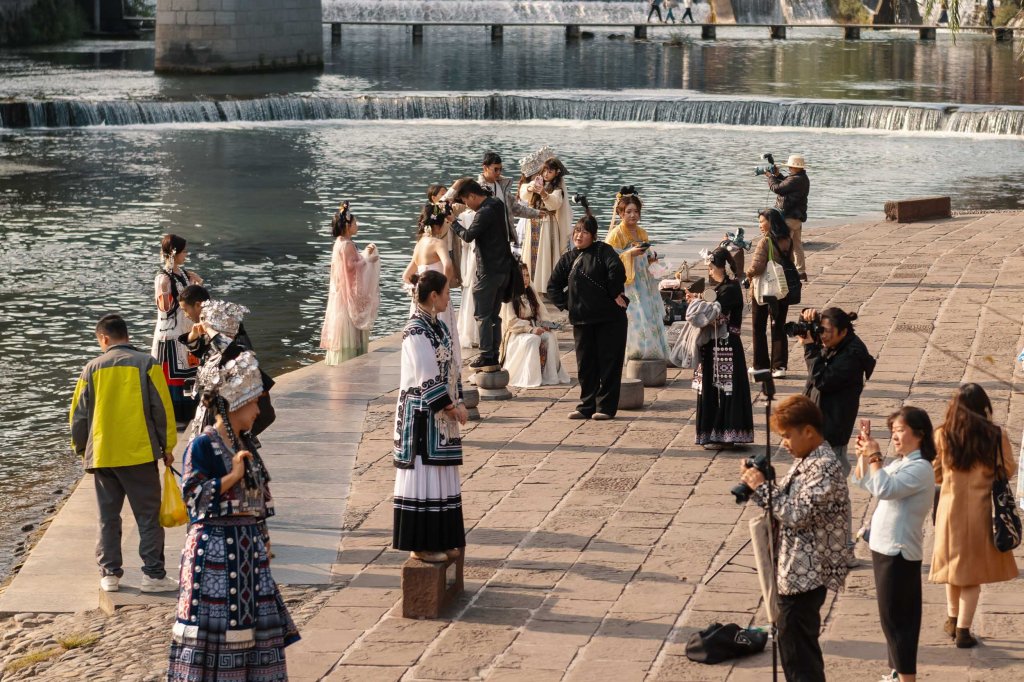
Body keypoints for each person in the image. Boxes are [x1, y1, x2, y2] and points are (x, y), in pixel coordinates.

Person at [167, 351, 299, 681]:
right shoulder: (202, 445)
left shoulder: (246, 443)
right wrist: (233, 476)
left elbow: (259, 499)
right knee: (216, 630)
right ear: (234, 404)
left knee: (255, 629)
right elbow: (193, 497)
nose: (257, 411)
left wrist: (263, 539)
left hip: (248, 551)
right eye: (253, 403)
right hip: (213, 550)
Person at [739, 395, 849, 682]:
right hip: (795, 570)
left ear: (808, 431)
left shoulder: (823, 466)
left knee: (800, 659)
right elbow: (788, 504)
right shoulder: (807, 459)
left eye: (787, 436)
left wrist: (763, 488)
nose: (784, 443)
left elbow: (797, 513)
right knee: (794, 652)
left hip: (806, 575)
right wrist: (759, 485)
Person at [70, 314, 178, 594]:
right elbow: (162, 409)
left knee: (108, 517)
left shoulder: (91, 369)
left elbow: (78, 416)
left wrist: (82, 449)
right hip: (139, 453)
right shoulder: (147, 364)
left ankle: (109, 575)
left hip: (103, 454)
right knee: (148, 517)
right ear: (126, 335)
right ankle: (153, 575)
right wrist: (167, 447)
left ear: (104, 338)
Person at [930, 383, 1018, 648]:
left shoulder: (942, 434)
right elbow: (1008, 469)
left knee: (953, 569)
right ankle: (963, 630)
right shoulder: (996, 435)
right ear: (984, 408)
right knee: (972, 576)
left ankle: (952, 618)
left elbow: (935, 473)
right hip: (981, 513)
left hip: (949, 512)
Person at [852, 407, 936, 682]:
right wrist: (864, 456)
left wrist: (875, 456)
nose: (895, 436)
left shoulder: (920, 467)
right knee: (890, 618)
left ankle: (906, 678)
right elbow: (866, 482)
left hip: (899, 551)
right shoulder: (902, 463)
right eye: (893, 431)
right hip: (884, 547)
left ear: (919, 434)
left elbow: (885, 489)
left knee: (898, 621)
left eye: (900, 430)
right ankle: (896, 673)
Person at [393, 270, 468, 563]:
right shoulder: (416, 331)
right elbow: (427, 377)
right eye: (447, 293)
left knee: (442, 476)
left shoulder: (438, 326)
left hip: (440, 417)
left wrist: (459, 400)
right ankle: (420, 545)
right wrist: (451, 407)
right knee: (424, 476)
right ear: (434, 296)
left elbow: (452, 368)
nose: (449, 298)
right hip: (422, 417)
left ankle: (443, 539)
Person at [800, 306, 875, 556]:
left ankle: (843, 549)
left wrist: (810, 349)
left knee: (834, 497)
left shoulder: (852, 356)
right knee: (820, 493)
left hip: (832, 431)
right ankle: (827, 545)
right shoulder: (837, 344)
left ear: (843, 332)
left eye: (827, 331)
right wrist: (807, 319)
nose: (822, 336)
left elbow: (822, 380)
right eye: (820, 330)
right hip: (820, 428)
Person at [547, 203, 628, 420]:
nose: (579, 235)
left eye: (584, 232)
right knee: (585, 365)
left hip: (609, 319)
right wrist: (569, 304)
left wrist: (615, 293)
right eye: (576, 231)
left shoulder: (603, 251)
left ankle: (606, 408)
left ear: (593, 235)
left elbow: (617, 271)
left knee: (609, 364)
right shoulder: (568, 258)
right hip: (582, 320)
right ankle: (586, 406)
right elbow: (552, 286)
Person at [179, 293, 277, 440]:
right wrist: (194, 334)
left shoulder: (237, 353)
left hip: (227, 419)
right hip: (207, 415)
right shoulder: (211, 353)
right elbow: (196, 348)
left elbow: (230, 350)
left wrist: (211, 331)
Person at [689, 247, 754, 449]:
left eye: (710, 268)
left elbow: (715, 316)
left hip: (725, 346)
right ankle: (712, 434)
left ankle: (723, 435)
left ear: (720, 267)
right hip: (715, 345)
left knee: (723, 387)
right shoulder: (722, 288)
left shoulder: (730, 290)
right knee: (712, 386)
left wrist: (697, 305)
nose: (709, 272)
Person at [451, 178, 514, 372]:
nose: (466, 206)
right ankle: (493, 354)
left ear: (472, 196)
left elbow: (468, 236)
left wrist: (453, 222)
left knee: (483, 315)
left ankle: (486, 355)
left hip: (487, 271)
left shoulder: (484, 212)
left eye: (465, 201)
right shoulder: (497, 203)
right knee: (494, 316)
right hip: (503, 269)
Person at [606, 189, 670, 361]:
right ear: (621, 214)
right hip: (628, 282)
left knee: (649, 313)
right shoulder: (615, 235)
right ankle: (634, 351)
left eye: (636, 211)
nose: (633, 215)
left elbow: (646, 256)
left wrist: (651, 258)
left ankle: (652, 349)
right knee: (634, 315)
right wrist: (629, 254)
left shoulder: (642, 232)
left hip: (645, 280)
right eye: (628, 212)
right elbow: (607, 260)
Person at [152, 233, 203, 426]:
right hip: (171, 335)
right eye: (184, 252)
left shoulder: (183, 274)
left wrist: (196, 285)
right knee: (174, 377)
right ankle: (174, 416)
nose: (186, 255)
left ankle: (189, 413)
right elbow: (165, 308)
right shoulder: (163, 278)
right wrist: (187, 292)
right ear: (174, 253)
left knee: (189, 373)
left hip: (185, 330)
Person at [320, 201, 380, 364]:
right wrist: (368, 259)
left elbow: (350, 264)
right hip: (346, 294)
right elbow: (351, 268)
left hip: (339, 291)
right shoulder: (347, 244)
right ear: (347, 226)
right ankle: (349, 359)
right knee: (349, 326)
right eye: (354, 223)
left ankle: (342, 358)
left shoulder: (340, 242)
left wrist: (364, 254)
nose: (356, 226)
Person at [405, 199, 462, 360]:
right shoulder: (438, 243)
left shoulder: (419, 244)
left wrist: (417, 287)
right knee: (443, 332)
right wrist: (445, 285)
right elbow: (448, 265)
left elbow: (406, 275)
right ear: (438, 225)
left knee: (423, 333)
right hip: (437, 296)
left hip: (422, 298)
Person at [501, 263, 570, 388]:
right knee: (533, 340)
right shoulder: (509, 296)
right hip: (516, 333)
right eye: (522, 276)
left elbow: (541, 313)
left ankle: (550, 376)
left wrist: (546, 324)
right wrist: (530, 329)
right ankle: (530, 377)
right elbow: (511, 322)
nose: (526, 279)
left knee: (550, 337)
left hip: (534, 327)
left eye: (527, 275)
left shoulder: (531, 293)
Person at [516, 150, 572, 295]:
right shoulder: (537, 182)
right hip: (533, 222)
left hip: (547, 224)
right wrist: (531, 188)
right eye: (545, 170)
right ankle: (530, 285)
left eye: (550, 171)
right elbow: (523, 193)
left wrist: (543, 193)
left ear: (557, 173)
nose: (546, 174)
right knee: (530, 253)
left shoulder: (557, 189)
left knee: (545, 255)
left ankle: (546, 287)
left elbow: (554, 204)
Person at [747, 208, 794, 378]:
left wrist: (748, 274)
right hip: (782, 288)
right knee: (778, 326)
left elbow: (757, 267)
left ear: (771, 222)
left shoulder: (765, 242)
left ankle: (760, 365)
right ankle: (779, 366)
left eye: (762, 221)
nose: (760, 225)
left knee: (758, 327)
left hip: (764, 290)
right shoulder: (788, 240)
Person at [477, 151, 546, 248]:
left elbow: (516, 208)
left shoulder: (502, 186)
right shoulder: (477, 188)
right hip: (485, 238)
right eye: (495, 169)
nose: (498, 173)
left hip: (503, 236)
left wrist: (537, 213)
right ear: (485, 168)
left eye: (500, 169)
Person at [765, 154, 810, 281]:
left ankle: (787, 271)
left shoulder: (795, 179)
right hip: (797, 217)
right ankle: (801, 271)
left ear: (796, 167)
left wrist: (770, 176)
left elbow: (777, 188)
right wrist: (777, 175)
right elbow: (786, 183)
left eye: (790, 167)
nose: (789, 169)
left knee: (784, 245)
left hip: (789, 217)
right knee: (797, 245)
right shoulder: (802, 178)